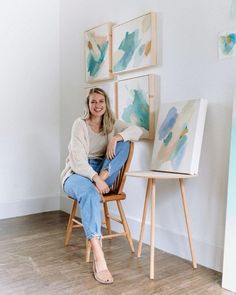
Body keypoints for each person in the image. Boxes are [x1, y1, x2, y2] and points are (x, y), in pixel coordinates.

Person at [61, 87, 146, 284]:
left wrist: (117, 137)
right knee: (90, 193)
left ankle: (102, 177)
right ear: (88, 105)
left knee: (126, 143)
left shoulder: (112, 124)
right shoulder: (79, 125)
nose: (97, 105)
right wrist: (95, 179)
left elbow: (138, 131)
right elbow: (77, 160)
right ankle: (99, 256)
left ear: (106, 103)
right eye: (93, 102)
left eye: (101, 101)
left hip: (104, 171)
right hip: (77, 173)